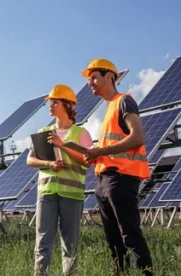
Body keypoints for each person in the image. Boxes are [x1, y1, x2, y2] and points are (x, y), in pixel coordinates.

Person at [82, 59, 154, 276]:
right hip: (104, 180)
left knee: (129, 235)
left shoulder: (124, 102)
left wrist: (99, 152)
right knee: (113, 240)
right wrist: (95, 157)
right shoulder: (108, 109)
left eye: (94, 77)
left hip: (121, 178)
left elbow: (137, 137)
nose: (90, 83)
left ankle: (146, 273)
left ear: (110, 77)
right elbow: (112, 147)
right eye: (89, 79)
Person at [27, 84, 92, 276]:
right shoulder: (44, 132)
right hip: (46, 193)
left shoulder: (81, 134)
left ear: (67, 105)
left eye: (54, 102)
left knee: (69, 243)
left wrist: (63, 146)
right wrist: (49, 164)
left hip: (71, 195)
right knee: (42, 242)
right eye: (50, 102)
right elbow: (30, 159)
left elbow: (87, 160)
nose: (50, 106)